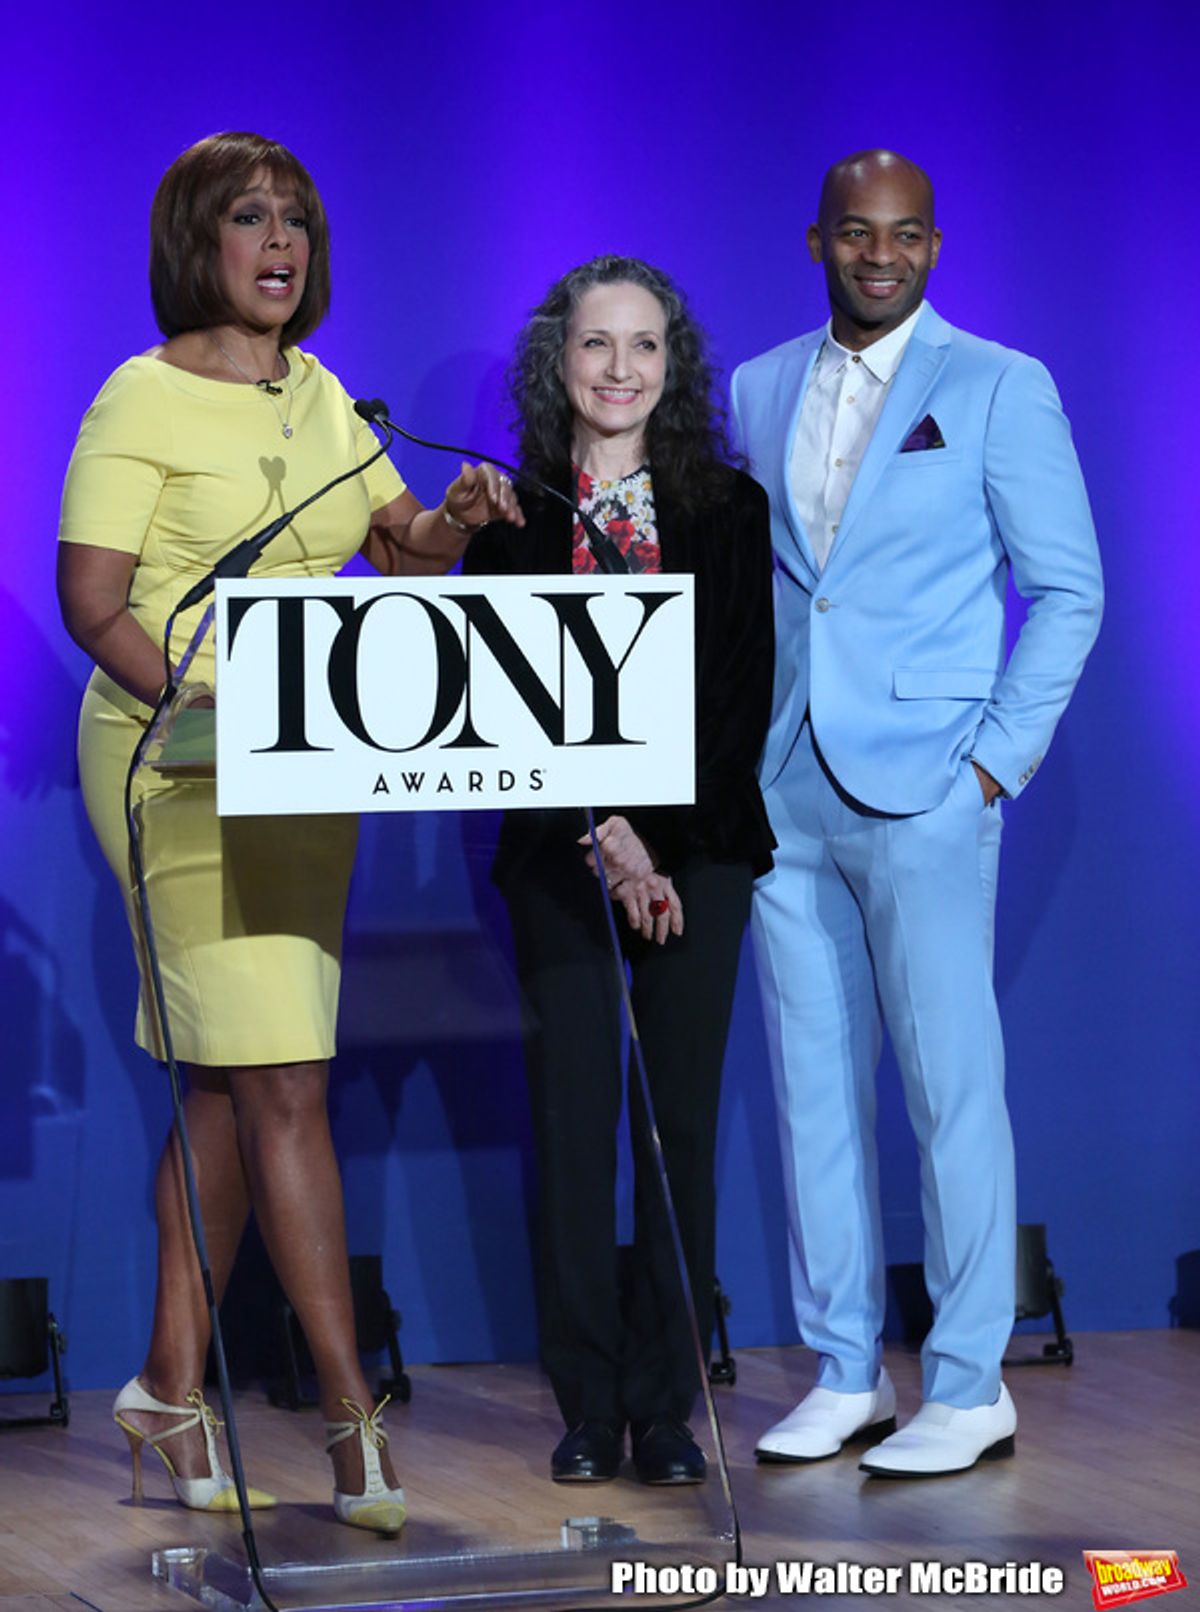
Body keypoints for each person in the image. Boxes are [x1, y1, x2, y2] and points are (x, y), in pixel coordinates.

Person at [56, 131, 521, 1529]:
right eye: (251, 218)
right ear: (196, 239)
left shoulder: (320, 394)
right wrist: (202, 711)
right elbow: (96, 605)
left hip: (306, 764)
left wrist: (453, 516)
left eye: (299, 223)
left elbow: (399, 546)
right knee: (286, 1084)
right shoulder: (135, 399)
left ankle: (163, 1390)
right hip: (172, 767)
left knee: (225, 1085)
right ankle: (344, 1415)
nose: (280, 243)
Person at [732, 150, 1103, 1477]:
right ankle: (844, 1371)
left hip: (933, 783)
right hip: (785, 791)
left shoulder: (1001, 385)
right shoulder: (757, 385)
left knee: (953, 1090)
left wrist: (993, 762)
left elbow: (1070, 591)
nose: (878, 255)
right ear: (817, 240)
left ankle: (967, 1380)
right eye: (853, 233)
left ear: (934, 246)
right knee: (812, 1092)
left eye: (903, 236)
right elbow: (769, 594)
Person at [463, 256, 775, 1485]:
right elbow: (496, 702)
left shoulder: (725, 511)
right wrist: (602, 831)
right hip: (559, 856)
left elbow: (736, 700)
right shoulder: (514, 515)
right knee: (574, 1127)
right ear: (560, 359)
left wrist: (650, 836)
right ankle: (587, 1405)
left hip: (699, 857)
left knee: (678, 1136)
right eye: (597, 345)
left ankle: (667, 1406)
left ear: (673, 364)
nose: (620, 370)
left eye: (644, 346)